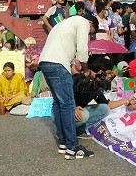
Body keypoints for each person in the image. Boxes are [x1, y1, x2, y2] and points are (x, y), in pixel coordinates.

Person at [39, 14, 97, 160]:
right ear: (90, 23)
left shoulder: (62, 24)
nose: (89, 34)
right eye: (91, 31)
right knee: (68, 104)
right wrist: (86, 69)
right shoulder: (83, 22)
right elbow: (83, 49)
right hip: (58, 64)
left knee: (58, 103)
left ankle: (64, 142)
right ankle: (73, 146)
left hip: (45, 62)